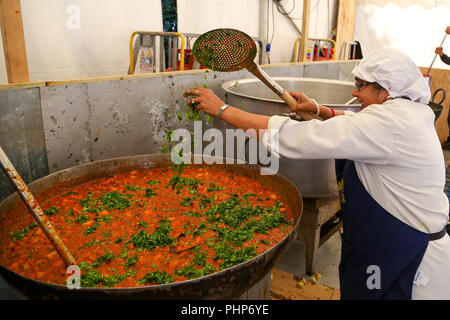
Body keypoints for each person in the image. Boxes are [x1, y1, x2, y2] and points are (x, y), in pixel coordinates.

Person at [185, 48, 450, 300]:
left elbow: (295, 135)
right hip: (390, 241)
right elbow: (354, 122)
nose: (356, 93)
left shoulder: (389, 124)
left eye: (361, 86)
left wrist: (221, 110)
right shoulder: (407, 113)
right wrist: (319, 110)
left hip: (410, 259)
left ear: (385, 91)